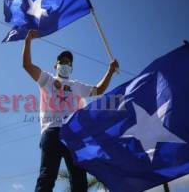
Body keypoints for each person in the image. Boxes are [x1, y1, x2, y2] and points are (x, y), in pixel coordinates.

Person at [22, 29, 119, 192]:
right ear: (56, 65)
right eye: (62, 61)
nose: (65, 64)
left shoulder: (76, 86)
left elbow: (98, 90)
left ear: (71, 68)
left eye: (68, 63)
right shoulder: (47, 80)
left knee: (79, 180)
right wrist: (27, 42)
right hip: (51, 132)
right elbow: (27, 65)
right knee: (47, 177)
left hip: (73, 134)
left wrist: (109, 71)